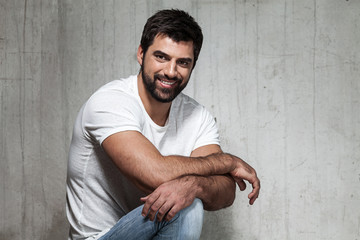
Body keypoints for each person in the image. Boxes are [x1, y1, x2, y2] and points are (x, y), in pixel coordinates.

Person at [66, 9, 260, 240]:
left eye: (183, 62)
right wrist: (228, 161)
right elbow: (154, 174)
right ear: (141, 54)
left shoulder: (197, 116)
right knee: (183, 206)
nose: (170, 71)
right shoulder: (110, 102)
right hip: (100, 237)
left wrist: (194, 185)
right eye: (161, 57)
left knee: (186, 197)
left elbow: (226, 192)